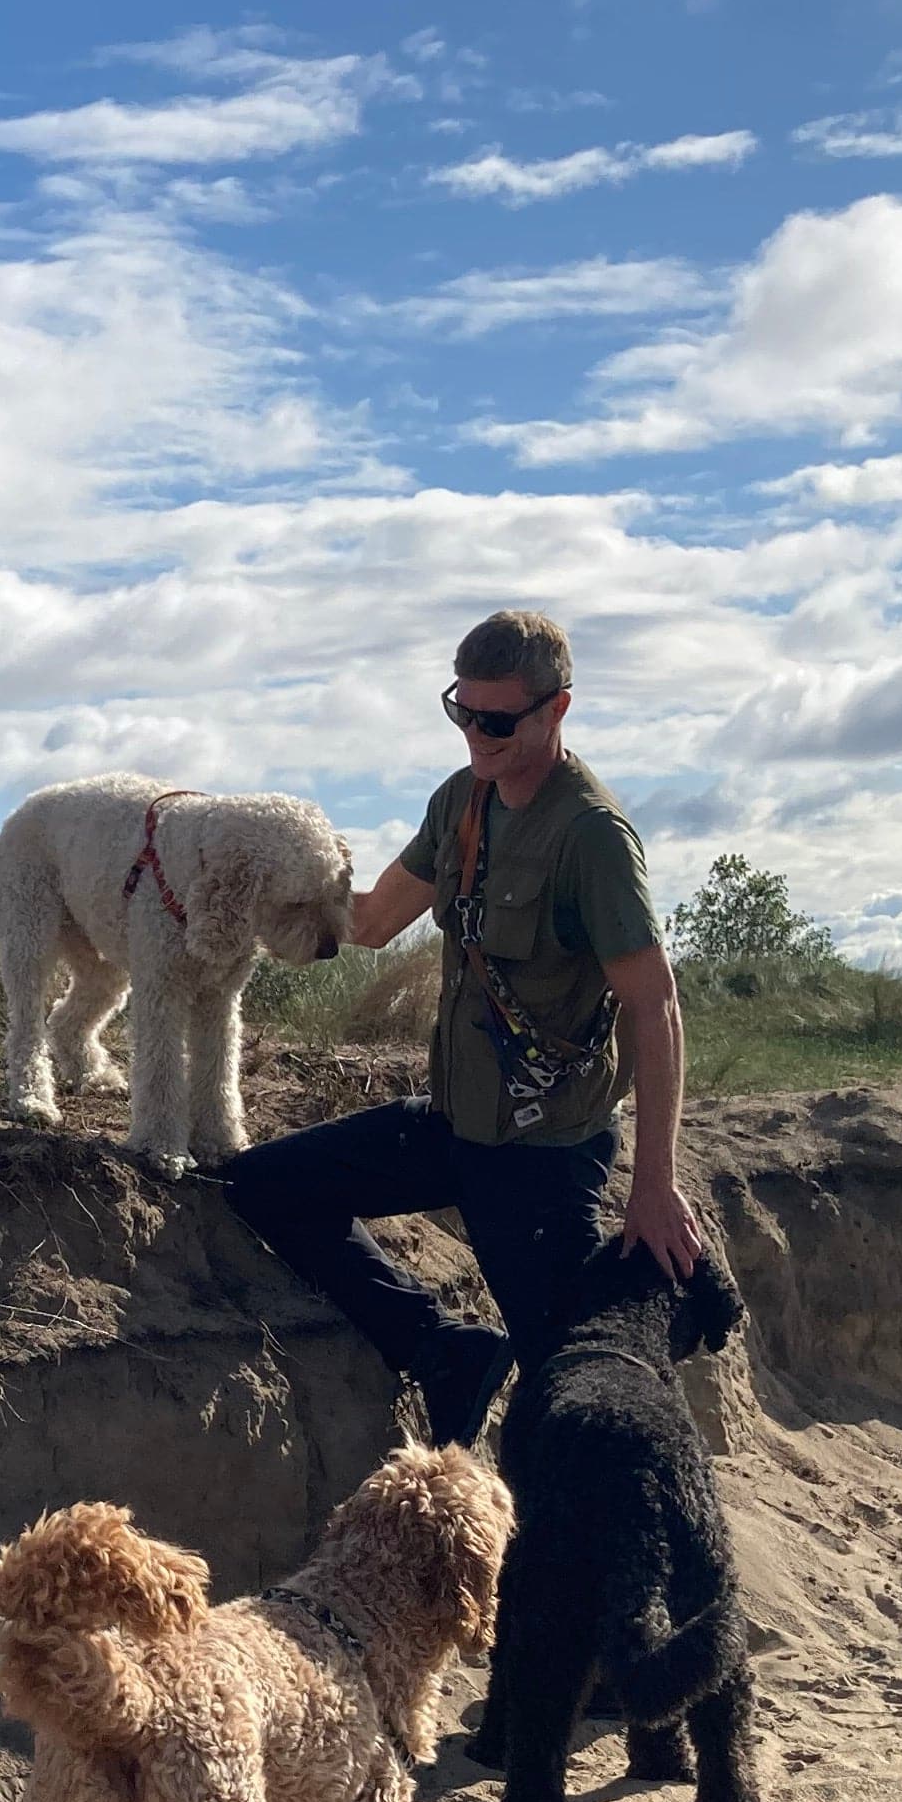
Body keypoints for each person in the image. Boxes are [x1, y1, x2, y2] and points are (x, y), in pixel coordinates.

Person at [223, 607, 701, 1451]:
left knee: (568, 1402)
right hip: (453, 1125)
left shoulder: (592, 837)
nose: (475, 734)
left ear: (556, 710)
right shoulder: (461, 803)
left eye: (497, 719)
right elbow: (369, 922)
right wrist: (252, 871)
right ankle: (443, 1349)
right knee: (263, 1186)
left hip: (542, 1157)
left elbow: (653, 1003)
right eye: (461, 711)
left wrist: (653, 1184)